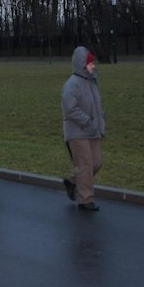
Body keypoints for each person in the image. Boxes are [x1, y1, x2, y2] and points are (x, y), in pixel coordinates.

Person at [61, 46, 105, 211]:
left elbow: (96, 105)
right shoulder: (72, 84)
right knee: (86, 164)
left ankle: (72, 181)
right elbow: (70, 109)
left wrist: (100, 119)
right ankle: (85, 200)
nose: (93, 66)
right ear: (81, 64)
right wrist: (88, 120)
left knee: (97, 162)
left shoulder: (92, 81)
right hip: (77, 132)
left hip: (92, 130)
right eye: (90, 63)